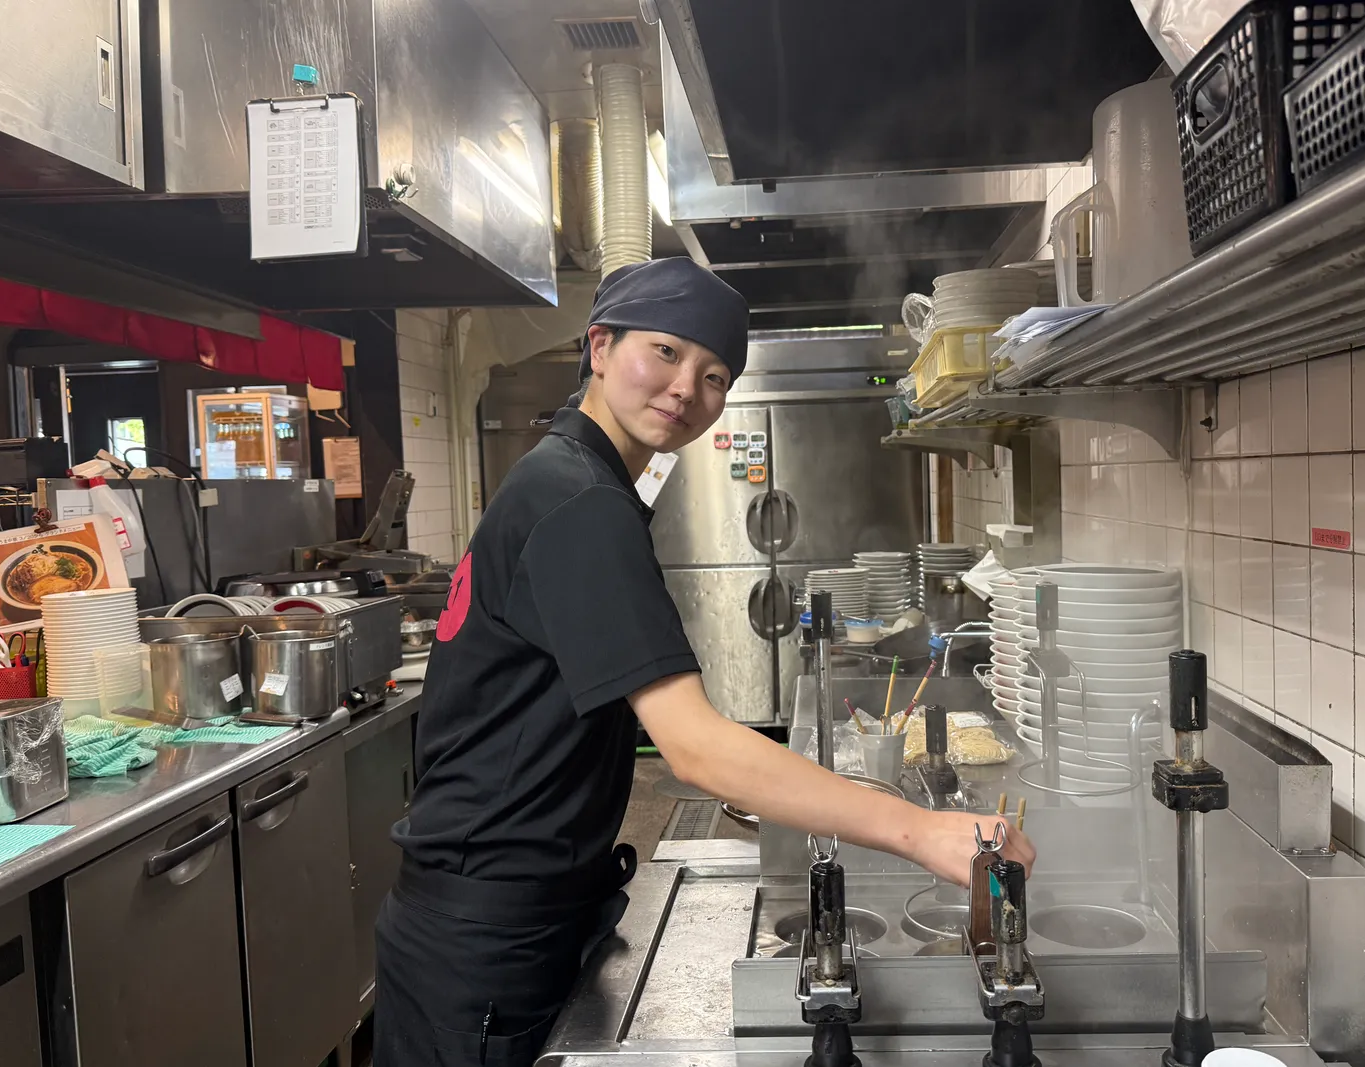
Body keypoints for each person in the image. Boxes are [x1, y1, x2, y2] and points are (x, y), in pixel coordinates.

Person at [372, 258, 1034, 1067]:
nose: (686, 387)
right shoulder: (580, 501)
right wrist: (922, 830)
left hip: (495, 921)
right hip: (483, 949)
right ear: (600, 346)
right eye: (666, 351)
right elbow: (693, 747)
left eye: (715, 374)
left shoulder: (570, 476)